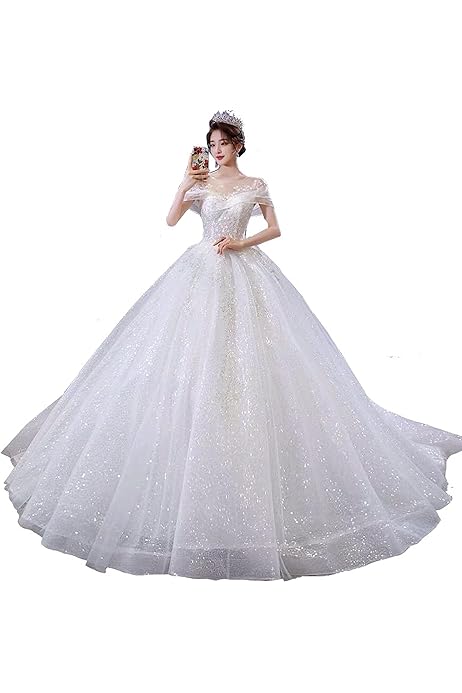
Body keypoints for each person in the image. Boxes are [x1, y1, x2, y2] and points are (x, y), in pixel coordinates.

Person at [3, 109, 462, 581]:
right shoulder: (201, 184)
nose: (217, 150)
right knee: (185, 360)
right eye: (212, 144)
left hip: (245, 271)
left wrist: (242, 244)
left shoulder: (255, 184)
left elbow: (276, 229)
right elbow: (170, 220)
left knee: (255, 359)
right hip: (198, 275)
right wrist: (185, 182)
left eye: (223, 143)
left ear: (238, 145)